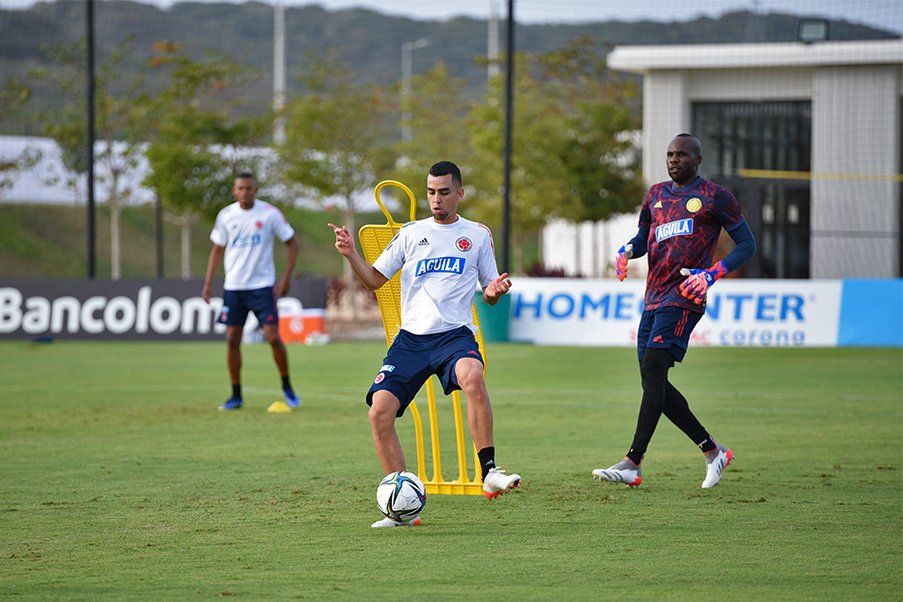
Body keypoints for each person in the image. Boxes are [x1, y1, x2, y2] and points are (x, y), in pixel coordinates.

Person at [329, 161, 522, 528]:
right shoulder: (409, 234)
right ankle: (401, 505)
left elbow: (490, 288)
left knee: (474, 377)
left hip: (455, 336)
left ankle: (490, 472)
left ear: (459, 193)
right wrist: (351, 254)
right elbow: (373, 280)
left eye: (444, 192)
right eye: (431, 192)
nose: (436, 199)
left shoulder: (477, 235)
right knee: (378, 413)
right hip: (411, 340)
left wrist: (493, 291)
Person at [593, 133, 756, 489]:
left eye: (681, 154)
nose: (673, 159)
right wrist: (625, 252)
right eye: (669, 154)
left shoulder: (714, 196)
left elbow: (747, 244)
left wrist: (712, 274)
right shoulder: (655, 195)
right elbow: (642, 239)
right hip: (652, 297)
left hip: (685, 295)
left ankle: (632, 462)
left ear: (697, 159)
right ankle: (713, 452)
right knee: (654, 383)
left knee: (654, 368)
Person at [202, 172, 300, 411]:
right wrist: (208, 282)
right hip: (234, 287)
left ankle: (287, 387)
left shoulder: (269, 214)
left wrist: (285, 277)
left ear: (255, 190)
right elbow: (217, 249)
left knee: (273, 337)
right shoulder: (226, 216)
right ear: (234, 191)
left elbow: (292, 244)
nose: (244, 192)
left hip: (262, 286)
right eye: (240, 188)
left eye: (248, 188)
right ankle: (236, 395)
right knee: (232, 339)